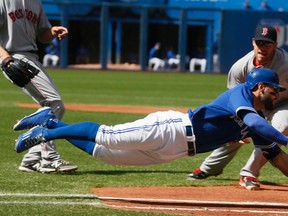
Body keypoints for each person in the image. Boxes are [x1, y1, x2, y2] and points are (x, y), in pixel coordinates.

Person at [14, 68, 288, 179]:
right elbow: (254, 121)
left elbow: (276, 157)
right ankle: (46, 130)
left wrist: (280, 148)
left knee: (108, 154)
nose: (277, 96)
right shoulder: (240, 96)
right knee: (109, 136)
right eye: (274, 90)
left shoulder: (258, 120)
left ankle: (49, 121)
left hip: (178, 150)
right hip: (173, 128)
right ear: (260, 87)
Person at [188, 25, 288, 190]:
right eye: (260, 43)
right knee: (235, 133)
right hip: (254, 106)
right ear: (253, 43)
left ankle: (249, 173)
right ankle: (208, 168)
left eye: (268, 44)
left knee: (282, 126)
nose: (263, 47)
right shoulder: (240, 67)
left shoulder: (286, 63)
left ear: (276, 45)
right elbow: (234, 100)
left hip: (283, 103)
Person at [0, 0, 77, 173]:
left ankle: (32, 158)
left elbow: (42, 35)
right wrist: (5, 59)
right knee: (53, 103)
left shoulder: (35, 2)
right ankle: (48, 158)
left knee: (53, 105)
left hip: (32, 57)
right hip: (15, 57)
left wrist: (52, 31)